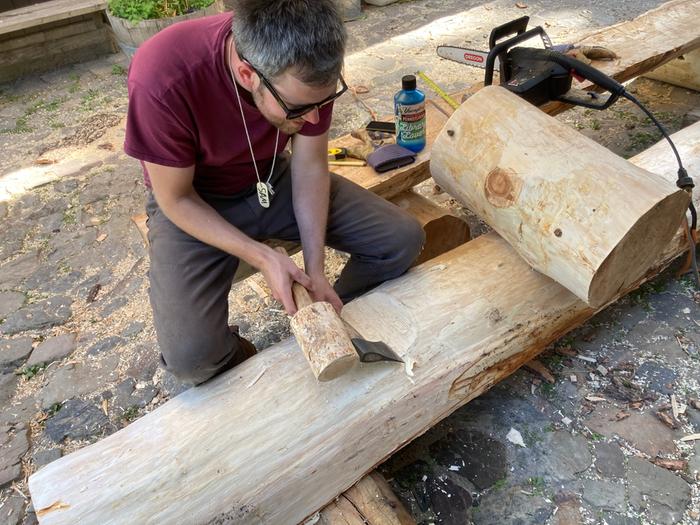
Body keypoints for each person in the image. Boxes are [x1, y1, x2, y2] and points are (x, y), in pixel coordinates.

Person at [124, 0, 425, 385]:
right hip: (194, 201)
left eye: (324, 101)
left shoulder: (308, 72)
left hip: (270, 178)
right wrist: (263, 257)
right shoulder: (162, 75)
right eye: (300, 108)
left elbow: (311, 165)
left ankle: (329, 321)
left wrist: (316, 272)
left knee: (401, 239)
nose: (314, 119)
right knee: (192, 359)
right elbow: (175, 198)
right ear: (248, 74)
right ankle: (246, 360)